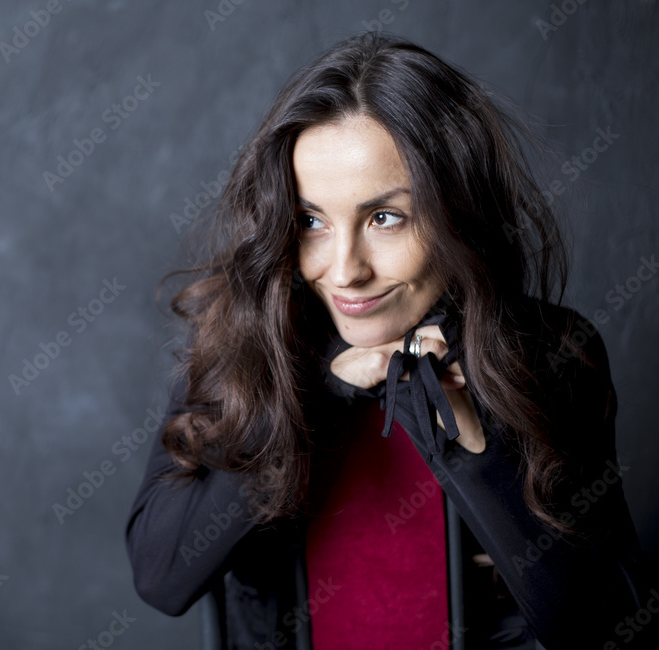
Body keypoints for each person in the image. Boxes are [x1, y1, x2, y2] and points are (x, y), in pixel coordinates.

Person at [125, 32, 658, 650]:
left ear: (459, 213)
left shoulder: (552, 354)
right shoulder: (239, 343)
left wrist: (475, 457)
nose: (346, 269)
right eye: (311, 221)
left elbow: (607, 628)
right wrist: (320, 399)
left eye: (385, 218)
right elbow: (161, 578)